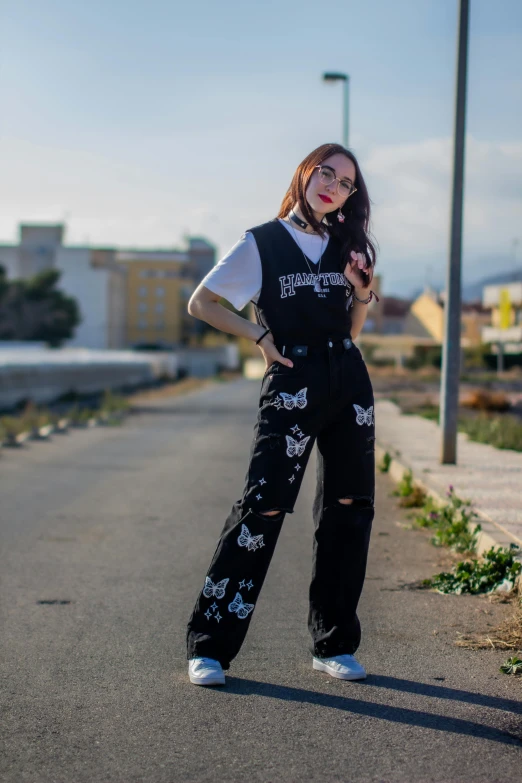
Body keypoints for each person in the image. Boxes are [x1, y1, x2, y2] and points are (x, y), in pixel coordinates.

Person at [186, 142, 379, 686]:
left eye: (345, 183)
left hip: (348, 381)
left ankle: (334, 643)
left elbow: (352, 332)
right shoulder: (263, 243)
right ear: (305, 173)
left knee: (349, 507)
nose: (333, 187)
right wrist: (259, 336)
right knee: (264, 507)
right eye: (326, 173)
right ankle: (210, 646)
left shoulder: (348, 246)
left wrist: (362, 292)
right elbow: (202, 303)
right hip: (292, 380)